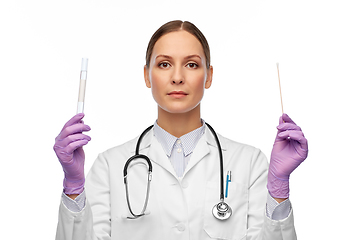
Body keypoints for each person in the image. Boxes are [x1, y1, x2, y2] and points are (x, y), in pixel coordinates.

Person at [54, 20, 308, 240]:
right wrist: (74, 186)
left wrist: (278, 190)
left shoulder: (249, 163)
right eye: (164, 64)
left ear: (208, 76)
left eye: (191, 65)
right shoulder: (111, 166)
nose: (177, 77)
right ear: (147, 76)